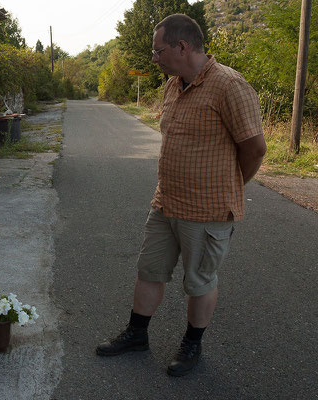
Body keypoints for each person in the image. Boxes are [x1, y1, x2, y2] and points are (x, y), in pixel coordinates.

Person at [95, 14, 266, 377]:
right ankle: (137, 334)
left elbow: (255, 148)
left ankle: (192, 344)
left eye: (159, 51)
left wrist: (232, 186)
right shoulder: (173, 84)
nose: (154, 58)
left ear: (182, 47)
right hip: (166, 202)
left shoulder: (229, 85)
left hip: (208, 210)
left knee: (199, 281)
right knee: (149, 270)